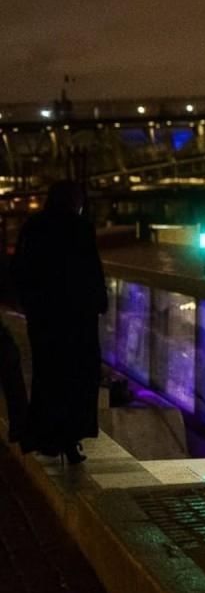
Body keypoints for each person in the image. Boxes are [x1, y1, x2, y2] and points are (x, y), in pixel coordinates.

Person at [12, 181, 107, 463]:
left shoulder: (34, 226)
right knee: (78, 379)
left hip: (44, 320)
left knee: (48, 377)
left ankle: (47, 437)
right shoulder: (80, 228)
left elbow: (20, 269)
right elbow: (91, 272)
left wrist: (30, 304)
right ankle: (71, 439)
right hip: (77, 320)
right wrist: (98, 304)